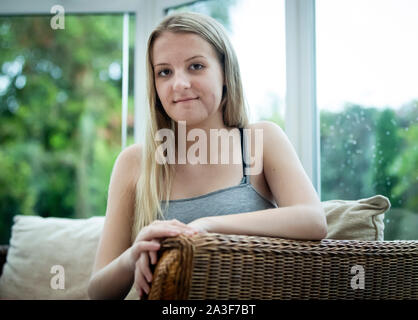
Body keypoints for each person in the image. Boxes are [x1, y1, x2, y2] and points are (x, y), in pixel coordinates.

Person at [87, 11, 327, 300]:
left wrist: (205, 227)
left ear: (225, 73)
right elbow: (98, 292)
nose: (179, 83)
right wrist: (133, 254)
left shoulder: (260, 141)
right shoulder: (134, 162)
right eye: (165, 71)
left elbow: (314, 220)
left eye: (196, 66)